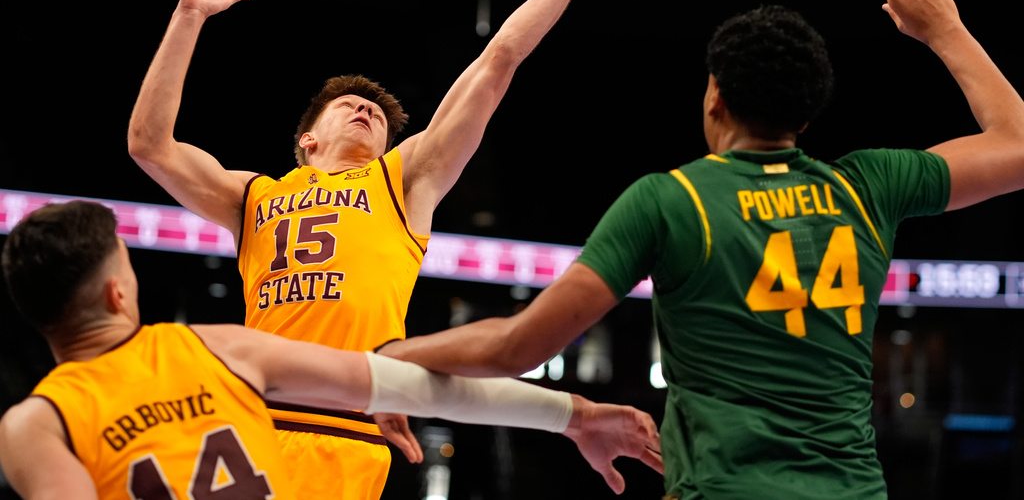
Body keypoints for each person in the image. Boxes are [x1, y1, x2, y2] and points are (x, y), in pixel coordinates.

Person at [377, 0, 1024, 498]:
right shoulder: (865, 186)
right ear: (808, 113)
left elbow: (514, 346)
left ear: (714, 95)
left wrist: (393, 356)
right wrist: (946, 28)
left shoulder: (672, 199)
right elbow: (1017, 143)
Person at [126, 0, 615, 497]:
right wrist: (189, 14)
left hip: (351, 425)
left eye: (378, 116)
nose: (367, 112)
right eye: (350, 106)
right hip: (253, 419)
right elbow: (149, 145)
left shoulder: (403, 181)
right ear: (306, 141)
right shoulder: (255, 197)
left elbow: (499, 60)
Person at [0, 200, 662, 499]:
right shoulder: (218, 346)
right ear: (120, 292)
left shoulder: (34, 422)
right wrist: (574, 414)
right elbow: (415, 384)